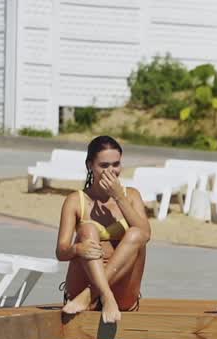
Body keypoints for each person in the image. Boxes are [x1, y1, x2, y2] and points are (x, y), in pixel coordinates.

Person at [55, 136, 151, 323]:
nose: (111, 171)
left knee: (136, 233)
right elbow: (61, 252)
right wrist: (77, 249)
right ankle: (105, 296)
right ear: (90, 165)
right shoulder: (76, 200)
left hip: (121, 288)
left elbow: (145, 234)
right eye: (104, 165)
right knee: (87, 230)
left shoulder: (131, 195)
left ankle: (92, 295)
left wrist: (118, 198)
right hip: (83, 278)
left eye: (116, 164)